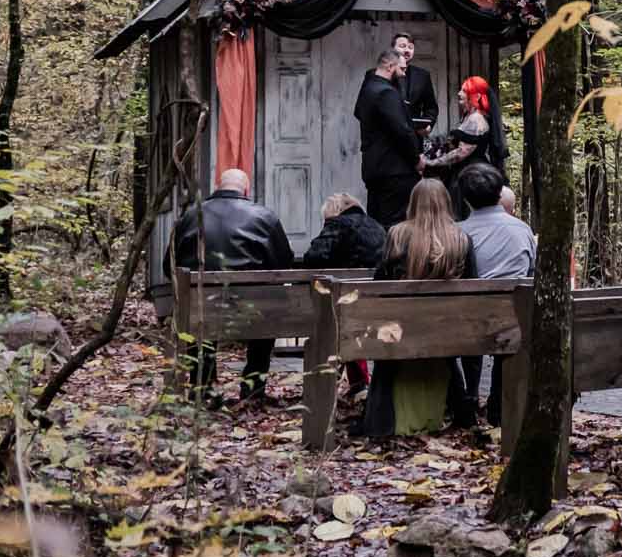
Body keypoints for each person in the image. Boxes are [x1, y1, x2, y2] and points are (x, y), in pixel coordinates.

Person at [359, 180, 480, 439]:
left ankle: (382, 420)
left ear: (412, 203)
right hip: (447, 330)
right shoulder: (461, 239)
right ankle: (460, 409)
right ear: (446, 204)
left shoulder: (397, 235)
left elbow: (381, 283)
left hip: (402, 328)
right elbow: (473, 288)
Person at [174, 167, 295, 404]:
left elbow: (170, 265)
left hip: (200, 307)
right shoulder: (265, 217)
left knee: (200, 319)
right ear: (246, 190)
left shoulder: (189, 216)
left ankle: (203, 388)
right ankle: (253, 388)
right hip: (252, 311)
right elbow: (284, 263)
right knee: (267, 311)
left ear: (218, 187)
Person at [454, 161, 534, 431]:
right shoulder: (522, 230)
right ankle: (499, 407)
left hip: (468, 322)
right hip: (515, 319)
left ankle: (468, 395)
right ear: (500, 193)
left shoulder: (458, 233)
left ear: (464, 197)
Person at [297, 192, 388, 403]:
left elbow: (313, 258)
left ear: (332, 212)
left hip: (345, 304)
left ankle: (325, 385)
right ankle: (358, 384)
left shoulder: (337, 224)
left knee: (333, 320)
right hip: (375, 302)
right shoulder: (377, 226)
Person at [355, 47, 422, 224]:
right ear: (390, 66)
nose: (403, 75)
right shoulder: (386, 92)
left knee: (376, 222)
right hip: (394, 171)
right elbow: (402, 130)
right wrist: (416, 159)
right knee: (395, 225)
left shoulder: (368, 88)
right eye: (401, 69)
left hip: (373, 168)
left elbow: (358, 113)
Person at [426, 75, 509, 196]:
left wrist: (432, 163)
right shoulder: (469, 116)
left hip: (471, 172)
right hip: (467, 169)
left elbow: (460, 153)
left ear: (477, 96)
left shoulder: (476, 118)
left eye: (464, 91)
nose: (459, 93)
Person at [393, 33, 439, 140]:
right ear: (392, 49)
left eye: (411, 47)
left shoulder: (423, 76)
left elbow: (431, 107)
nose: (407, 50)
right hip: (385, 142)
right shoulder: (377, 74)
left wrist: (428, 125)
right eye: (402, 46)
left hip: (414, 139)